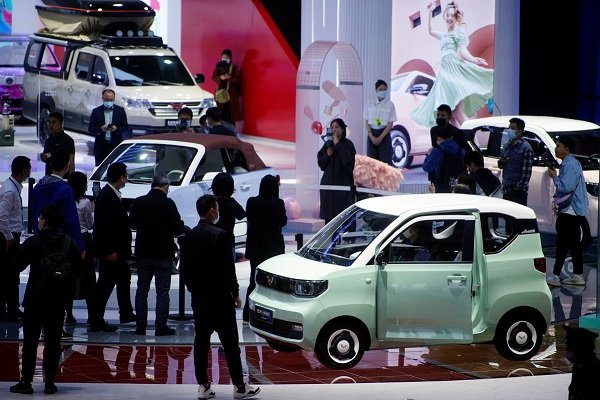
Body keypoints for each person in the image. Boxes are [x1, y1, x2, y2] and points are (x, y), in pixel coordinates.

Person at [181, 195, 260, 400]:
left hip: (199, 299)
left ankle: (203, 386)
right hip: (220, 298)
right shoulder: (221, 236)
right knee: (230, 344)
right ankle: (239, 387)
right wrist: (235, 293)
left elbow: (185, 270)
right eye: (216, 208)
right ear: (212, 211)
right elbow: (228, 269)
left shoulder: (189, 236)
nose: (218, 212)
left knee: (201, 342)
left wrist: (194, 289)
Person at [10, 205, 81, 395]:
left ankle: (26, 381)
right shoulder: (69, 243)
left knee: (30, 342)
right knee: (53, 342)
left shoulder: (35, 241)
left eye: (40, 218)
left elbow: (16, 263)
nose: (39, 221)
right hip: (58, 301)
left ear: (45, 221)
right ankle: (50, 382)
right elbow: (77, 271)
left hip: (35, 298)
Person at [410, 2, 493, 129]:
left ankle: (472, 140)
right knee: (451, 115)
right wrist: (430, 12)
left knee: (458, 112)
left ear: (456, 17)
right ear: (444, 16)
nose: (449, 18)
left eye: (452, 16)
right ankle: (462, 139)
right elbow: (430, 31)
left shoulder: (458, 32)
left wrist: (473, 59)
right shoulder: (443, 35)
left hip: (453, 70)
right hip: (443, 73)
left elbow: (463, 50)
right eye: (447, 15)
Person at [129, 174, 185, 336]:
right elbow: (177, 228)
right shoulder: (168, 204)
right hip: (163, 252)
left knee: (142, 290)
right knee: (162, 291)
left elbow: (132, 224)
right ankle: (161, 326)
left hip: (143, 252)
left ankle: (141, 325)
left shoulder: (139, 202)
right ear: (166, 186)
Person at [89, 162, 135, 332]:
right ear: (121, 177)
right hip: (111, 251)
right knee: (105, 284)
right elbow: (104, 226)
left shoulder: (111, 195)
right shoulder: (107, 197)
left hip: (117, 250)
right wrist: (110, 250)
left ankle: (126, 312)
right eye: (126, 175)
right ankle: (96, 319)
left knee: (123, 276)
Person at [242, 175, 287, 324]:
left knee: (253, 280)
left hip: (255, 246)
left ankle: (247, 314)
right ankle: (271, 316)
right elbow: (283, 221)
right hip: (273, 248)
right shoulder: (278, 203)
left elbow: (249, 218)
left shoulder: (251, 202)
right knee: (273, 282)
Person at [546, 136, 589, 287]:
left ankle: (556, 276)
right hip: (573, 210)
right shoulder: (570, 163)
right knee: (573, 245)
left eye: (558, 146)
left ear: (566, 149)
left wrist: (554, 177)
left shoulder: (569, 164)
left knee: (562, 245)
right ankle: (577, 276)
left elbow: (566, 187)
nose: (555, 149)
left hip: (570, 210)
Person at [0, 156, 31, 322]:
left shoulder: (12, 186)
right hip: (8, 237)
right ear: (24, 171)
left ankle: (12, 308)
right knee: (8, 275)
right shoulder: (10, 191)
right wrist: (8, 237)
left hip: (10, 236)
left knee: (12, 275)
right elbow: (2, 215)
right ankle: (6, 311)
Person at [66, 171, 95, 325]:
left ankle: (69, 315)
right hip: (84, 238)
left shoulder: (66, 201)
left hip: (69, 239)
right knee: (88, 277)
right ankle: (92, 316)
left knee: (69, 277)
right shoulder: (86, 202)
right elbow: (90, 225)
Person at [317, 118, 356, 224]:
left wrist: (338, 145)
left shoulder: (348, 144)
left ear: (342, 129)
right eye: (332, 127)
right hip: (328, 187)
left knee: (344, 218)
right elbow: (321, 164)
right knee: (329, 220)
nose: (334, 130)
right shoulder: (327, 144)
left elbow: (348, 162)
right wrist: (327, 155)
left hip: (343, 187)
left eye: (337, 127)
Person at [89, 88, 130, 166]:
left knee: (116, 169)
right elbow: (91, 128)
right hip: (101, 147)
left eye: (111, 100)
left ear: (114, 99)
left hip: (115, 146)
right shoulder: (96, 111)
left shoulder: (120, 111)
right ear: (102, 98)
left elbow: (125, 127)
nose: (109, 102)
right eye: (107, 100)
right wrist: (101, 129)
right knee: (100, 168)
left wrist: (116, 129)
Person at [498, 117, 533, 205]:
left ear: (520, 131)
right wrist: (502, 162)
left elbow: (526, 175)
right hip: (506, 189)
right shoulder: (507, 145)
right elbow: (500, 165)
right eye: (509, 127)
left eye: (513, 128)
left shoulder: (526, 148)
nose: (509, 130)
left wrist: (516, 188)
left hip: (518, 192)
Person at [211, 172, 246, 258]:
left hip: (212, 241)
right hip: (228, 242)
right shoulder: (231, 203)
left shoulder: (210, 202)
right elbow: (241, 215)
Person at [364, 79, 397, 165]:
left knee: (385, 161)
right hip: (372, 133)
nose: (383, 91)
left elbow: (390, 124)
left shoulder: (390, 105)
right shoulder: (369, 103)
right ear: (376, 90)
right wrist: (371, 136)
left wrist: (380, 138)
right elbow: (366, 121)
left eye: (384, 89)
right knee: (372, 161)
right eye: (380, 89)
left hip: (384, 134)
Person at [40, 111, 75, 177]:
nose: (51, 125)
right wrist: (43, 157)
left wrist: (71, 179)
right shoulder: (48, 140)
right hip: (49, 177)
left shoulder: (68, 140)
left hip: (63, 178)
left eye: (54, 122)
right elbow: (47, 157)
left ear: (60, 124)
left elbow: (71, 163)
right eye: (49, 122)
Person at [212, 49, 242, 125]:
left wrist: (229, 77)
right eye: (223, 58)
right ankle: (222, 128)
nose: (225, 59)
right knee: (221, 113)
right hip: (220, 94)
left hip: (230, 95)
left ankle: (231, 129)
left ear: (230, 58)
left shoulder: (234, 67)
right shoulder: (218, 66)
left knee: (230, 114)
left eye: (226, 58)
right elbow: (213, 77)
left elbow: (238, 80)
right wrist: (220, 77)